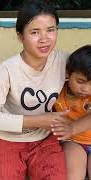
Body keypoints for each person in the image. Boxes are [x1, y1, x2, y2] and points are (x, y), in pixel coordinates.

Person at [0, 1, 70, 179]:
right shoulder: (8, 69)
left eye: (51, 30)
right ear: (20, 36)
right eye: (35, 32)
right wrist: (38, 121)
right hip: (7, 141)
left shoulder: (64, 61)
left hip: (45, 141)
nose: (45, 38)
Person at [53, 45, 91, 180]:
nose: (86, 89)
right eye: (80, 81)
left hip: (75, 132)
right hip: (73, 141)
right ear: (68, 73)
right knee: (73, 175)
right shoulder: (57, 89)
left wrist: (72, 127)